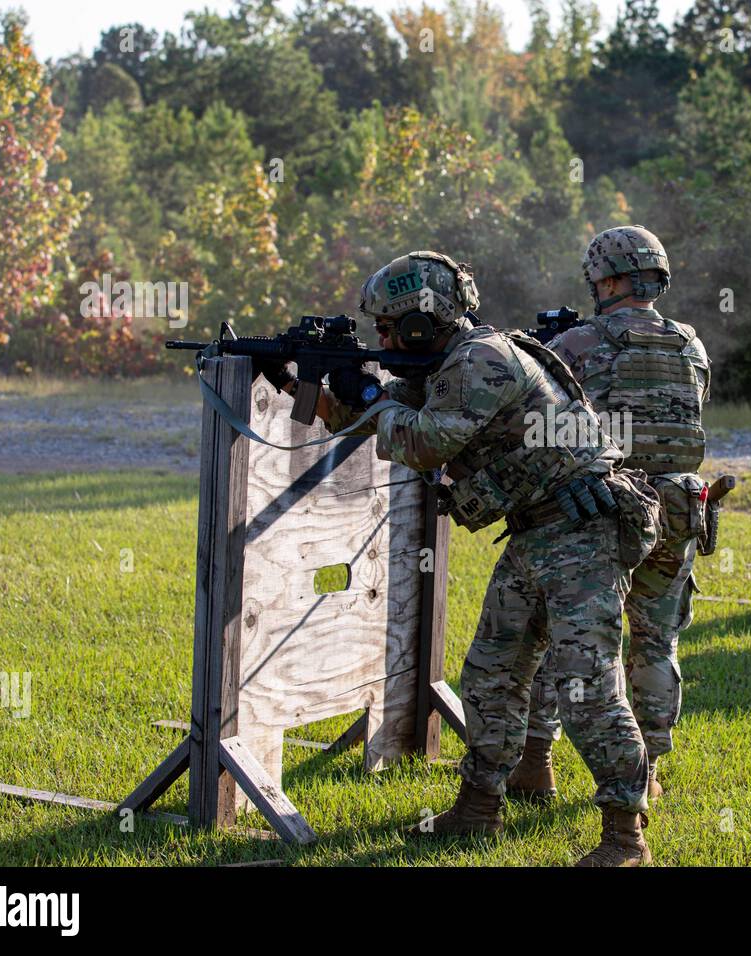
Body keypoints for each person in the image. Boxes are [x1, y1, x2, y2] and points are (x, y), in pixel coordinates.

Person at [255, 251, 659, 865]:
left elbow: (422, 441)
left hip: (584, 530)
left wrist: (369, 393)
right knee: (491, 673)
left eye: (391, 327)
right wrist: (293, 380)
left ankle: (625, 837)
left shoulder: (482, 360)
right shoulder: (444, 364)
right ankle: (479, 806)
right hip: (537, 531)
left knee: (584, 686)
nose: (383, 339)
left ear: (426, 320)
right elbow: (380, 419)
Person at [506, 226, 710, 805]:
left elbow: (537, 420)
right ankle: (649, 767)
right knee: (656, 641)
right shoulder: (690, 344)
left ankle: (535, 762)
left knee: (555, 632)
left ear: (612, 278)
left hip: (605, 505)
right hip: (677, 505)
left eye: (599, 277)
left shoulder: (578, 343)